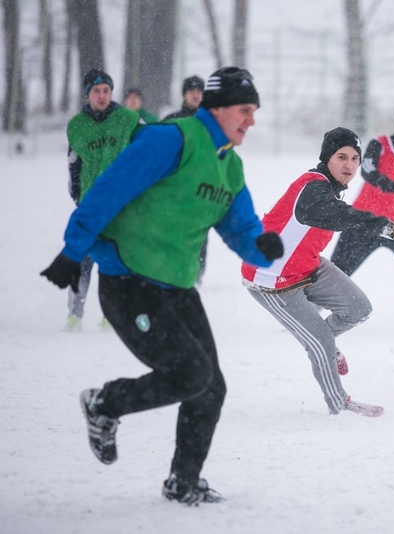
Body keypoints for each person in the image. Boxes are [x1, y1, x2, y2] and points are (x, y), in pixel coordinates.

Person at [40, 67, 284, 505]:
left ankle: (183, 482)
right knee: (191, 374)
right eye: (245, 111)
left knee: (210, 387)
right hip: (128, 282)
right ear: (219, 108)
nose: (251, 121)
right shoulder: (170, 138)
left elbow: (240, 227)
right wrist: (74, 248)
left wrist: (261, 247)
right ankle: (104, 404)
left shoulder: (229, 165)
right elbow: (107, 190)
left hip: (175, 287)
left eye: (254, 112)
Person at [241, 127, 394, 418]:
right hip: (271, 279)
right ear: (327, 158)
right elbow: (344, 216)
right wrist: (393, 228)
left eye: (355, 158)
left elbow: (340, 216)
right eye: (341, 157)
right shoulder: (314, 190)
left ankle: (323, 344)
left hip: (307, 266)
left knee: (359, 308)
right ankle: (340, 402)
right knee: (320, 341)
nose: (349, 165)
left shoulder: (330, 191)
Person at [330, 103, 394, 334]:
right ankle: (308, 311)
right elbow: (367, 168)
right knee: (336, 271)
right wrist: (381, 180)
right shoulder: (380, 144)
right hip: (364, 221)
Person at [65, 69, 143, 333]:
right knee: (83, 259)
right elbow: (73, 164)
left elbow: (148, 151)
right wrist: (76, 194)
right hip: (90, 202)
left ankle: (113, 314)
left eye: (106, 91)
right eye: (96, 91)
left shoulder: (128, 119)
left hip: (121, 204)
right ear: (87, 94)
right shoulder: (76, 126)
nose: (102, 96)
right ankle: (75, 314)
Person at [163, 75, 210, 284]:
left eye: (199, 90)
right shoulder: (172, 121)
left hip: (203, 189)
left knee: (200, 236)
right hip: (176, 190)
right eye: (191, 90)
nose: (195, 94)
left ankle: (196, 275)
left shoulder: (211, 123)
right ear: (184, 94)